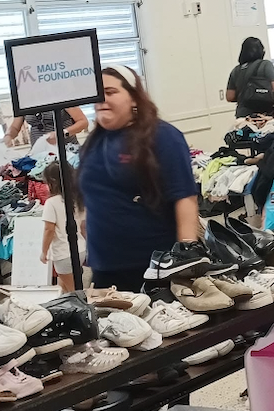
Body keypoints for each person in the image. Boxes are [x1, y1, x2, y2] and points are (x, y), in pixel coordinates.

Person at [78, 66, 201, 293]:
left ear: (134, 97)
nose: (102, 100)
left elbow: (184, 197)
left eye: (111, 92)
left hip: (150, 267)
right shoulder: (94, 142)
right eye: (97, 94)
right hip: (104, 267)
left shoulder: (163, 136)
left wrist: (186, 255)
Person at [40, 161, 86, 293]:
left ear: (52, 182)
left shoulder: (51, 203)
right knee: (63, 287)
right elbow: (83, 226)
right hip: (80, 249)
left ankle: (86, 311)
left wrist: (44, 252)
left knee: (75, 292)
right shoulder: (78, 199)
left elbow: (49, 229)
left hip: (63, 254)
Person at [225, 37, 274, 118]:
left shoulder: (236, 70)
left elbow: (230, 97)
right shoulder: (265, 65)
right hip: (266, 114)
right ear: (261, 51)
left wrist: (245, 95)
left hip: (243, 116)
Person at [4, 108, 88, 148]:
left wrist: (62, 133)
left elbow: (83, 122)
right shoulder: (24, 101)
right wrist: (8, 135)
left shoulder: (62, 94)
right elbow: (15, 127)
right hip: (40, 153)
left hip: (67, 149)